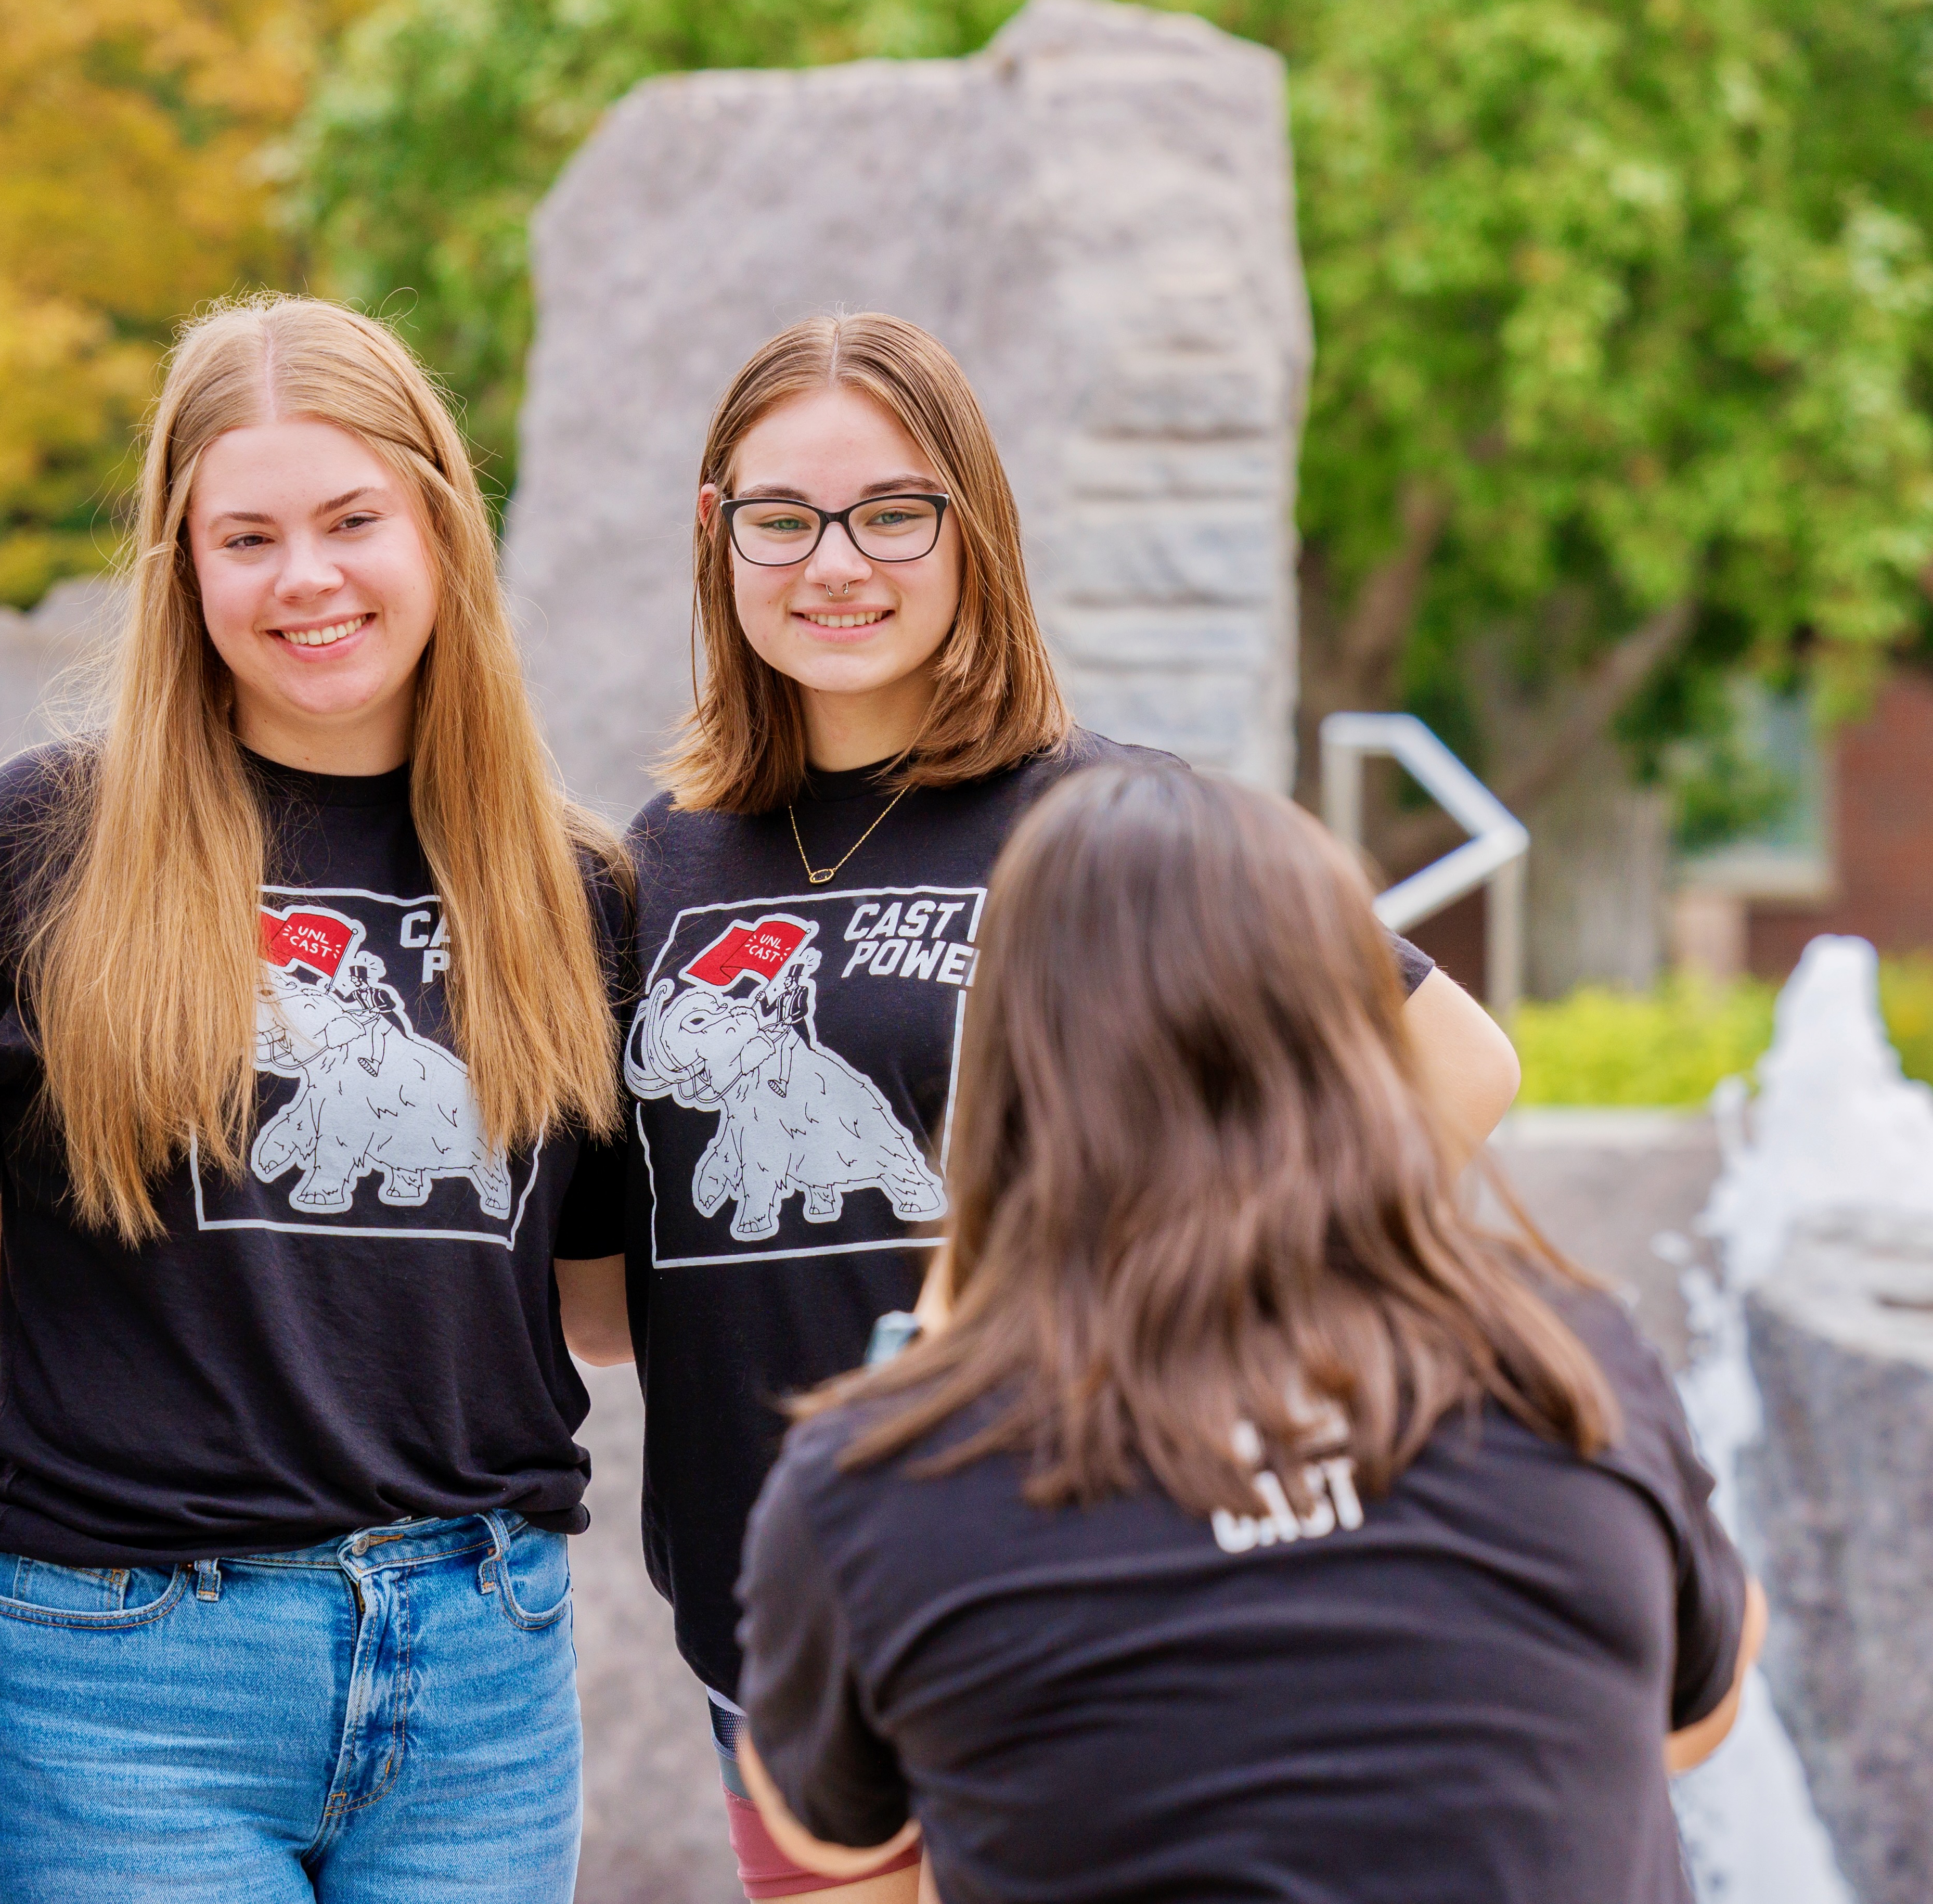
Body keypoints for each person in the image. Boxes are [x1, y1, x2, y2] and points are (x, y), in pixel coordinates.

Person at [550, 312, 1523, 1903]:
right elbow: (610, 1302)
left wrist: (1189, 1292)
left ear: (970, 528)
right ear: (715, 537)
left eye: (891, 510)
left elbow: (1455, 1061)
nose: (833, 561)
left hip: (1086, 1603)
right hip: (777, 1638)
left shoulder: (1117, 818)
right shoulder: (647, 868)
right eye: (779, 517)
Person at [0, 295, 628, 1902]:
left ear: (437, 525)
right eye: (247, 536)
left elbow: (594, 1295)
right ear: (181, 565)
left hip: (479, 1663)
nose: (307, 577)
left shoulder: (570, 887)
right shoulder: (38, 844)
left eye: (352, 518)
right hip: (121, 1670)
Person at [733, 761, 1761, 1901]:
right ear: (1351, 1040)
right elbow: (1694, 1712)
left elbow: (828, 1827)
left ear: (1016, 1066)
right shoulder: (1567, 1359)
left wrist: (939, 1328)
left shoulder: (877, 1482)